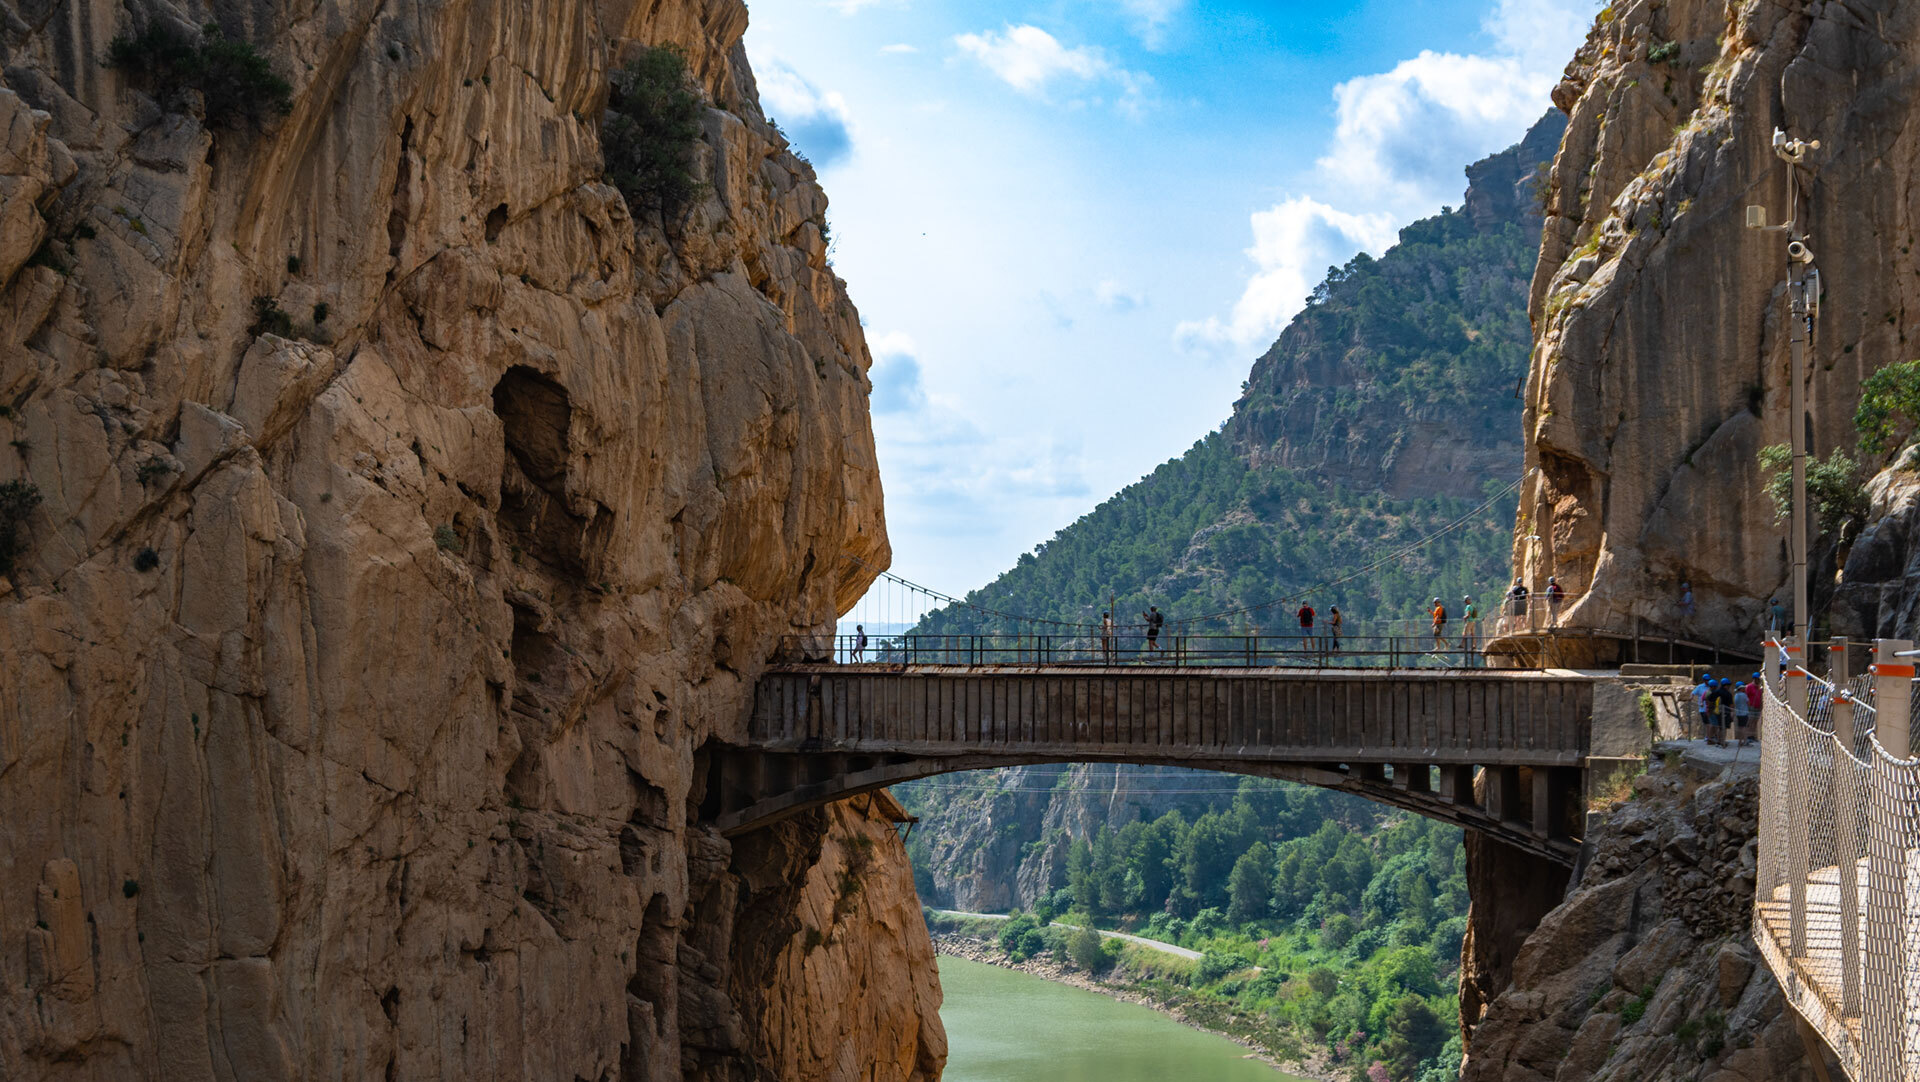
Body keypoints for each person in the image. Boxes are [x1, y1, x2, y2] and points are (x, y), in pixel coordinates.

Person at [1744, 673, 1764, 745]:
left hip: (1758, 707)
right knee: (1751, 721)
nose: (1758, 680)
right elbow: (1746, 697)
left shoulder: (1759, 687)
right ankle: (1749, 736)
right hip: (1751, 707)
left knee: (1755, 722)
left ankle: (1753, 735)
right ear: (1754, 679)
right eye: (1757, 679)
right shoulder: (1749, 687)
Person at [1693, 676, 1712, 741]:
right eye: (1706, 680)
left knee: (1711, 723)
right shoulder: (1700, 687)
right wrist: (1691, 698)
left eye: (1709, 680)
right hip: (1703, 709)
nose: (1708, 681)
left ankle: (1710, 736)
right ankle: (1708, 736)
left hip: (1711, 709)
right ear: (1704, 680)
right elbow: (1693, 693)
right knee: (1707, 723)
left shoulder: (1711, 686)